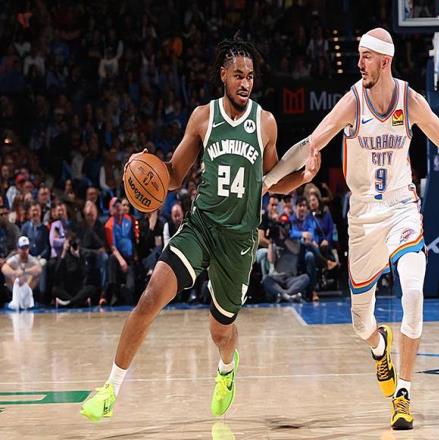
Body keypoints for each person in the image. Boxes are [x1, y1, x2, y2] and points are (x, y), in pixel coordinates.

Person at [263, 28, 439, 430]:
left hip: (402, 209)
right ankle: (379, 346)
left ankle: (402, 393)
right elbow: (310, 144)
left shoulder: (409, 100)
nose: (359, 64)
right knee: (361, 323)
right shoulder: (353, 102)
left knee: (413, 289)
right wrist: (267, 183)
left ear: (385, 61)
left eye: (365, 57)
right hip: (363, 218)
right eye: (358, 56)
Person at [80, 37, 320, 422]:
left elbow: (273, 180)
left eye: (250, 76)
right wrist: (146, 166)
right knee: (149, 298)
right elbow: (174, 175)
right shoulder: (203, 118)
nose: (245, 82)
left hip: (238, 241)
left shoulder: (265, 123)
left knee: (220, 331)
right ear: (223, 75)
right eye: (238, 75)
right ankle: (110, 388)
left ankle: (227, 368)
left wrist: (303, 177)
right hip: (201, 226)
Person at [2, 236, 42, 310]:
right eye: (22, 248)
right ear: (18, 249)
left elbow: (39, 269)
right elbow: (4, 268)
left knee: (36, 276)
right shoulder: (14, 259)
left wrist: (25, 271)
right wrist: (14, 273)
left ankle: (27, 299)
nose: (24, 250)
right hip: (15, 288)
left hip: (28, 287)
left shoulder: (32, 259)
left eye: (26, 248)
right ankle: (16, 300)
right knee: (11, 276)